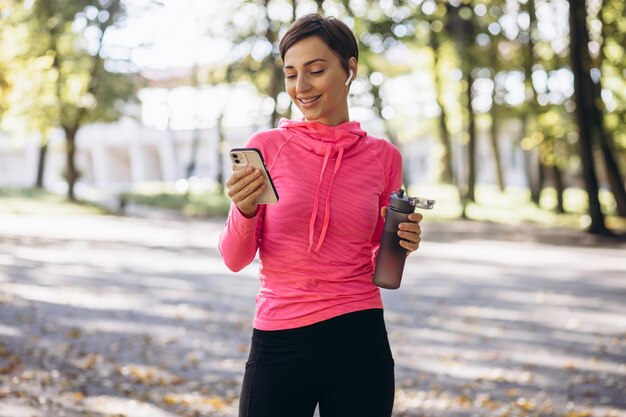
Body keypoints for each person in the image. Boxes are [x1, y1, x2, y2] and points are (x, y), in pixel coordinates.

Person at [218, 13, 423, 417]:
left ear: (350, 69)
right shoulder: (266, 148)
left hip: (359, 336)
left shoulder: (384, 158)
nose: (301, 86)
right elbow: (234, 258)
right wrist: (243, 209)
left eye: (315, 70)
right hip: (280, 336)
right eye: (291, 74)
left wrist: (403, 242)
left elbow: (383, 264)